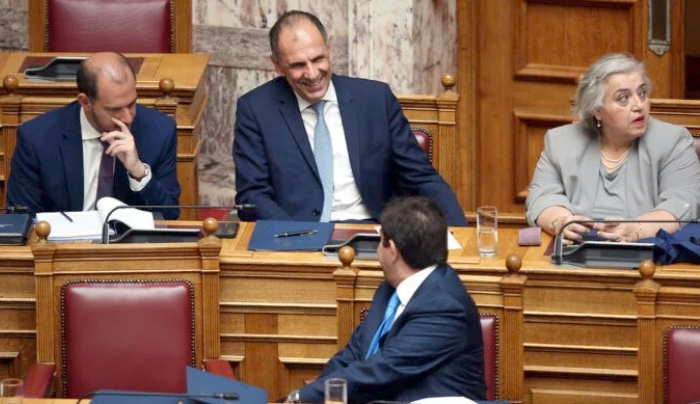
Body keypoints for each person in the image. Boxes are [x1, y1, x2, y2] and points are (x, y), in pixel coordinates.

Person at [233, 10, 467, 226]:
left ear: (330, 50)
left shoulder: (376, 100)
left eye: (318, 59)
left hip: (375, 234)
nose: (312, 74)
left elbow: (421, 177)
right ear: (276, 65)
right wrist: (295, 238)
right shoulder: (256, 110)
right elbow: (253, 195)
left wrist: (461, 235)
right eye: (297, 65)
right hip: (297, 235)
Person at [284, 196, 486, 404]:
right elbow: (353, 353)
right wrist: (318, 395)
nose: (378, 250)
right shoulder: (389, 289)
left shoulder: (444, 306)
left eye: (380, 241)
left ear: (393, 251)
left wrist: (302, 397)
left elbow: (382, 370)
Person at [526, 53, 700, 243]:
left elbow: (683, 202)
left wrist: (639, 230)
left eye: (642, 93)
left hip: (646, 253)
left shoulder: (673, 141)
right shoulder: (560, 142)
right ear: (597, 111)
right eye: (623, 98)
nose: (639, 105)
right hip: (576, 250)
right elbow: (542, 196)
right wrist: (560, 221)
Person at [7, 52, 181, 219]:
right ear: (85, 102)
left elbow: (170, 216)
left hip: (129, 240)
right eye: (114, 109)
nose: (128, 118)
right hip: (62, 239)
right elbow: (21, 219)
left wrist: (138, 172)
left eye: (131, 104)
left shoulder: (159, 131)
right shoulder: (36, 139)